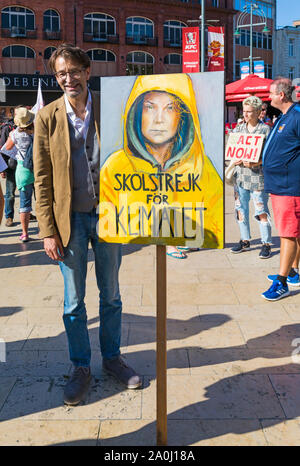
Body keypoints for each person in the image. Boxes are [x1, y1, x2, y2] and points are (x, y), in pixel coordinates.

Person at [33, 44, 141, 406]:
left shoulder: (110, 107)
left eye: (74, 71)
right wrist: (47, 229)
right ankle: (81, 367)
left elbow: (132, 155)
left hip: (110, 214)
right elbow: (42, 176)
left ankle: (112, 359)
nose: (69, 79)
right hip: (70, 220)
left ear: (88, 71)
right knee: (73, 300)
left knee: (110, 294)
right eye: (61, 74)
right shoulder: (47, 117)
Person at [100, 73, 223, 258]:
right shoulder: (115, 166)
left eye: (169, 108)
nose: (159, 119)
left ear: (182, 116)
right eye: (149, 107)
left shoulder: (203, 169)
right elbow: (108, 222)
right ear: (137, 112)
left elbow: (213, 225)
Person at [262, 77, 300, 301]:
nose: (269, 97)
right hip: (280, 186)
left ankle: (282, 281)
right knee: (294, 232)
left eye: (272, 93)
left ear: (282, 95)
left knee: (287, 234)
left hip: (289, 187)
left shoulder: (296, 116)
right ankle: (293, 272)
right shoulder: (284, 117)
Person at [230, 96, 272, 258]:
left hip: (258, 179)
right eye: (244, 111)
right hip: (240, 177)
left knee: (261, 210)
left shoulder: (265, 130)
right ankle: (244, 239)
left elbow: (271, 156)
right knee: (240, 209)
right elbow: (232, 150)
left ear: (257, 111)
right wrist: (235, 159)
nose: (245, 114)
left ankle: (266, 242)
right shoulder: (238, 129)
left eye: (249, 111)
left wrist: (257, 162)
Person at [5, 107, 35, 242]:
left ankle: (25, 233)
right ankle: (45, 230)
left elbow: (8, 147)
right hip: (40, 169)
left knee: (24, 203)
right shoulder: (38, 132)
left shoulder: (15, 134)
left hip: (23, 170)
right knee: (42, 201)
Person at [0, 117, 16, 227]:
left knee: (27, 193)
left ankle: (28, 213)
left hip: (28, 167)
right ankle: (9, 216)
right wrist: (3, 169)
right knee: (9, 193)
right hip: (11, 167)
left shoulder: (32, 129)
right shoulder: (7, 129)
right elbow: (3, 148)